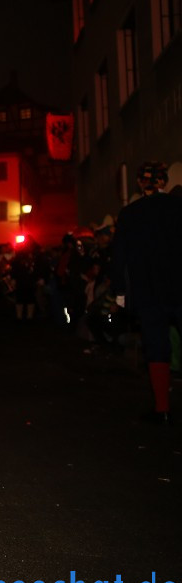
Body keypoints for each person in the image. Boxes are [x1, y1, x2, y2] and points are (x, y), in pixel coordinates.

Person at [111, 161, 182, 424]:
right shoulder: (179, 207)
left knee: (157, 348)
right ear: (164, 182)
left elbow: (119, 256)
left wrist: (120, 293)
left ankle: (162, 407)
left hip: (148, 290)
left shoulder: (130, 213)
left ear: (141, 183)